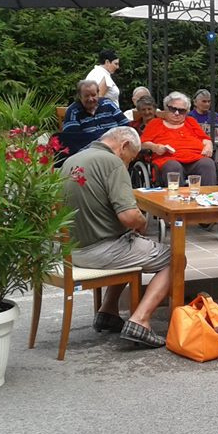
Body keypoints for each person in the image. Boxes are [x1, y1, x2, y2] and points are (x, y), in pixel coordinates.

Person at [60, 126, 172, 348]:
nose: (128, 164)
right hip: (100, 251)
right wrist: (143, 222)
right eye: (131, 158)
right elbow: (129, 217)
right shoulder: (112, 163)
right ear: (124, 146)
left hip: (71, 251)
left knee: (130, 244)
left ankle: (108, 311)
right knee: (174, 258)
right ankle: (140, 321)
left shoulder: (72, 160)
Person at [140, 92, 217, 186]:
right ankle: (176, 195)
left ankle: (207, 195)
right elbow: (142, 144)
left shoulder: (191, 121)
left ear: (186, 112)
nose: (177, 113)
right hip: (168, 159)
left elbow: (205, 139)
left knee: (207, 164)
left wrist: (208, 146)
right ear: (166, 108)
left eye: (181, 111)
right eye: (173, 109)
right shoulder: (155, 123)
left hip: (195, 158)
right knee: (173, 166)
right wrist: (155, 147)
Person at [62, 80, 130, 154]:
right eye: (86, 96)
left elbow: (126, 125)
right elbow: (73, 140)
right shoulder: (73, 111)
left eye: (93, 95)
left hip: (117, 148)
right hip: (90, 152)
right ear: (80, 96)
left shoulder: (108, 104)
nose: (90, 99)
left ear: (98, 94)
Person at [188, 88, 218, 153]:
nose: (207, 104)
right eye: (204, 101)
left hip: (215, 147)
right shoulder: (189, 117)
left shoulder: (215, 116)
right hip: (194, 148)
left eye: (209, 101)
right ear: (195, 102)